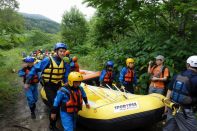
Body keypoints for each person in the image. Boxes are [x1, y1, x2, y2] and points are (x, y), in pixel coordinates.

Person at [25, 42, 70, 130]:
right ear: (56, 51)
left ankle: (58, 117)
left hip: (59, 85)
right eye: (61, 51)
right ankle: (52, 126)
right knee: (54, 104)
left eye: (64, 51)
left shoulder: (65, 62)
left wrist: (67, 83)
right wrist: (27, 81)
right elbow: (35, 68)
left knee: (62, 102)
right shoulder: (47, 60)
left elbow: (66, 75)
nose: (62, 53)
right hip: (48, 86)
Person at [163, 55, 197, 131]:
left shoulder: (177, 75)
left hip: (172, 107)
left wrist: (166, 108)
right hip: (184, 111)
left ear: (188, 65)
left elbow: (169, 91)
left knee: (170, 128)